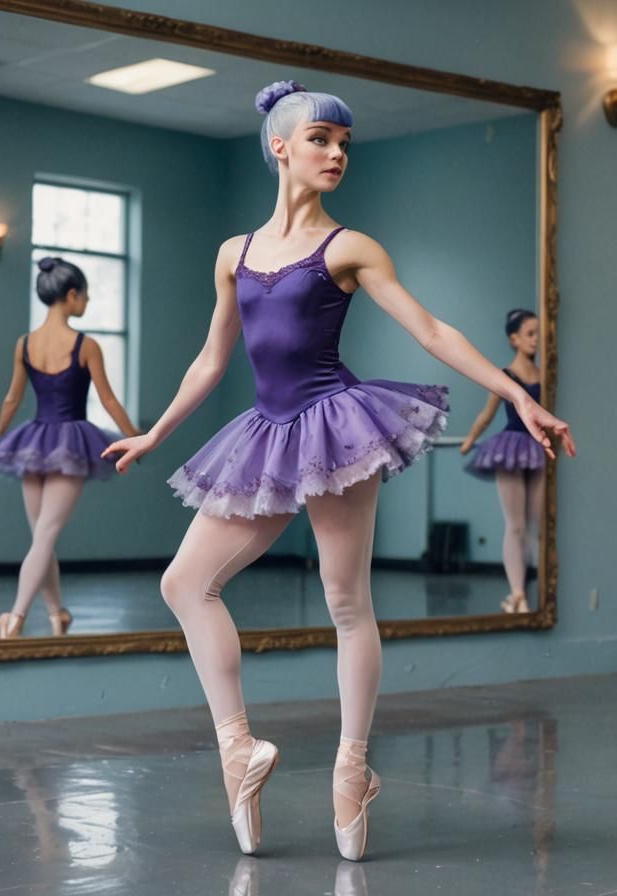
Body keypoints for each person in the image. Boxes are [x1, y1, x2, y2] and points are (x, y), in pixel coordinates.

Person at [103, 80, 576, 861]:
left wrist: (515, 396)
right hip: (265, 429)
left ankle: (351, 771)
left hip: (336, 425)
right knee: (186, 583)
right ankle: (238, 750)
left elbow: (430, 330)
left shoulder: (350, 248)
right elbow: (213, 357)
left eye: (345, 144)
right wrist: (154, 432)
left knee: (345, 599)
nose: (336, 154)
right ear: (281, 147)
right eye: (322, 140)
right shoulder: (235, 255)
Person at [0, 258, 138, 639]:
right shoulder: (86, 345)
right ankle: (15, 618)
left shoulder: (25, 343)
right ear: (70, 296)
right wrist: (136, 437)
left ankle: (56, 614)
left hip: (33, 441)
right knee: (45, 537)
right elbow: (110, 401)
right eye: (85, 296)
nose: (87, 302)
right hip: (69, 444)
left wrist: (0, 433)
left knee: (41, 537)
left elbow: (12, 399)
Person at [460, 309, 546, 613]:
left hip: (537, 450)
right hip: (510, 448)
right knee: (516, 525)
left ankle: (530, 589)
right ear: (515, 339)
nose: (536, 340)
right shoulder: (506, 377)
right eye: (530, 334)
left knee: (536, 525)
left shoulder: (545, 374)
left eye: (539, 333)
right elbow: (487, 415)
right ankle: (517, 592)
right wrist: (469, 440)